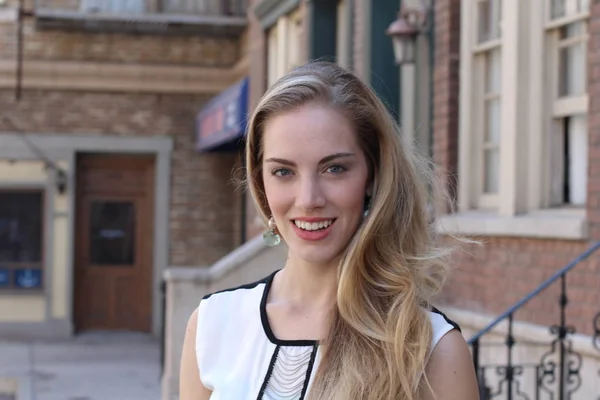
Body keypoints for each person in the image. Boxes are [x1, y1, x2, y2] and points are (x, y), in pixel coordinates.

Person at [179, 61, 480, 400]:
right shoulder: (212, 325)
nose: (309, 200)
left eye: (334, 168)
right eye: (283, 172)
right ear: (261, 182)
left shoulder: (430, 348)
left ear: (373, 176)